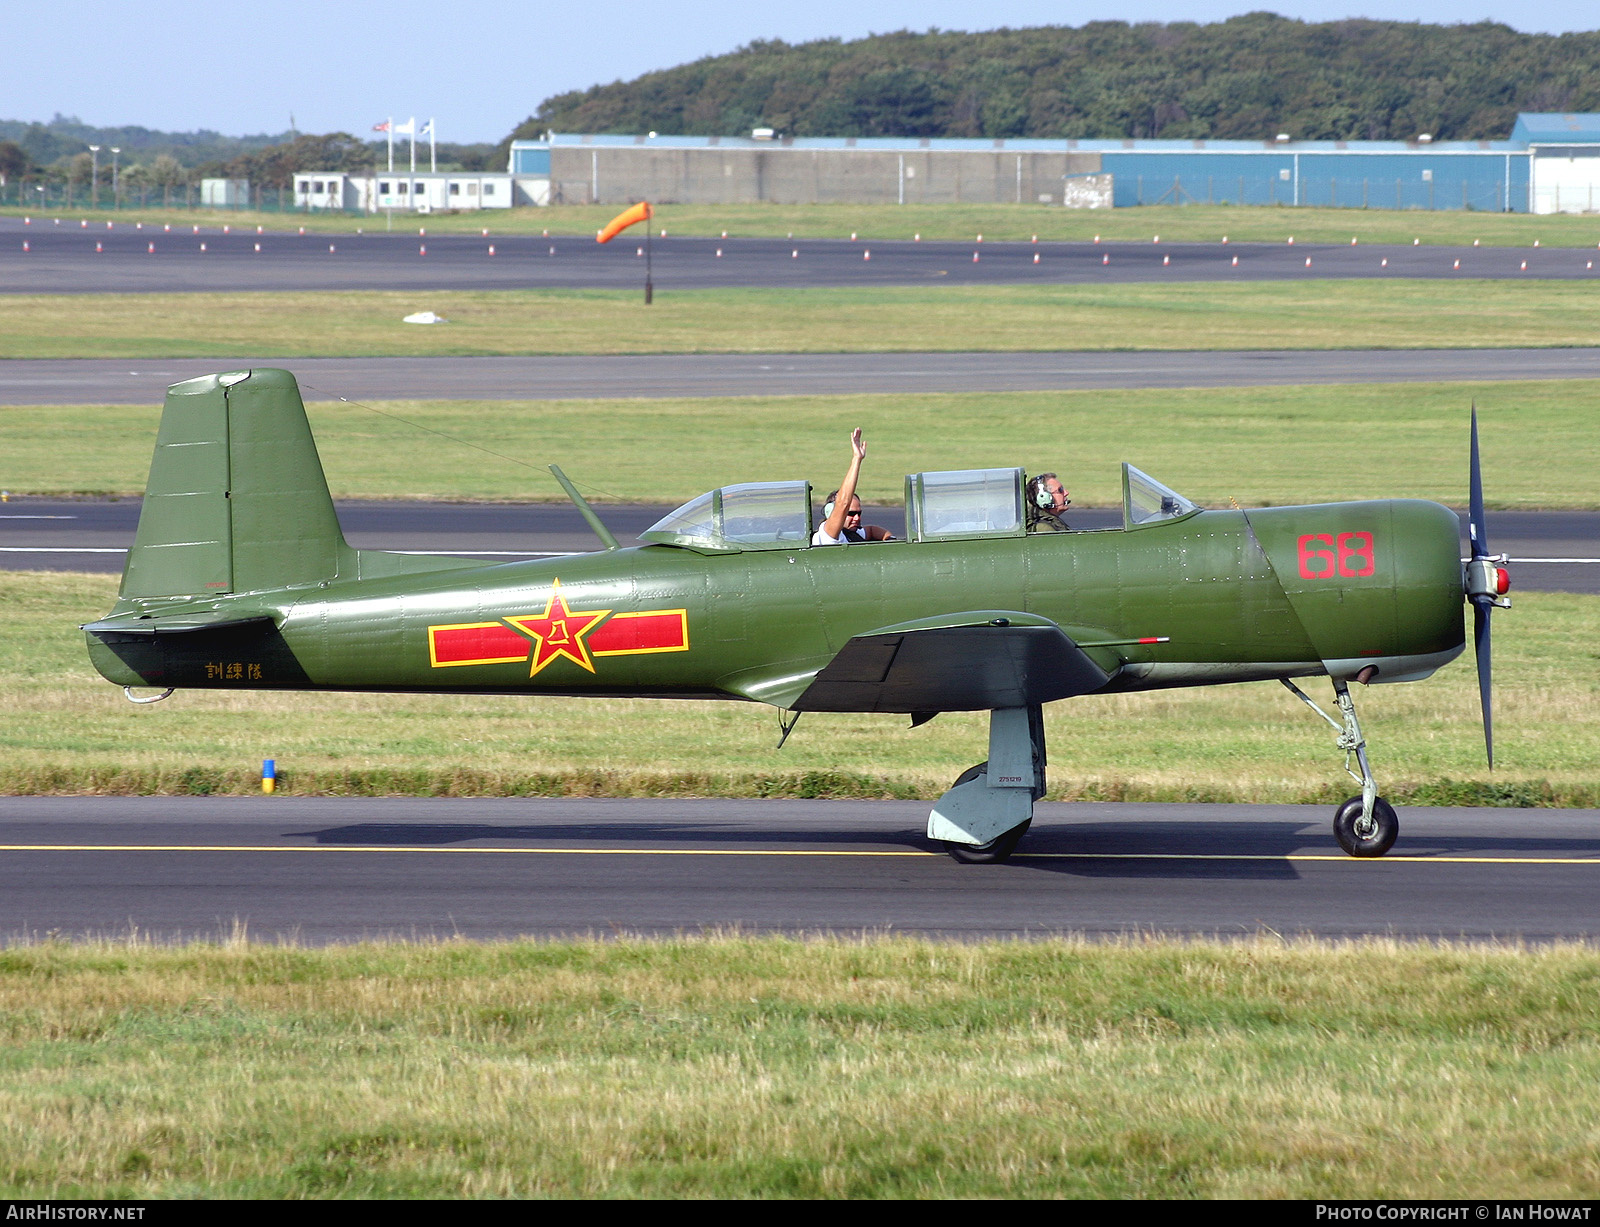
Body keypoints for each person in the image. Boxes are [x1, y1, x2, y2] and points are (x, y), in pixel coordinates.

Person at [813, 428, 894, 545]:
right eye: (850, 514)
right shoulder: (828, 534)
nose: (856, 518)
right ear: (831, 512)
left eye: (858, 513)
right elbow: (843, 503)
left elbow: (871, 530)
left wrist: (890, 539)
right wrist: (857, 459)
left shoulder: (850, 532)